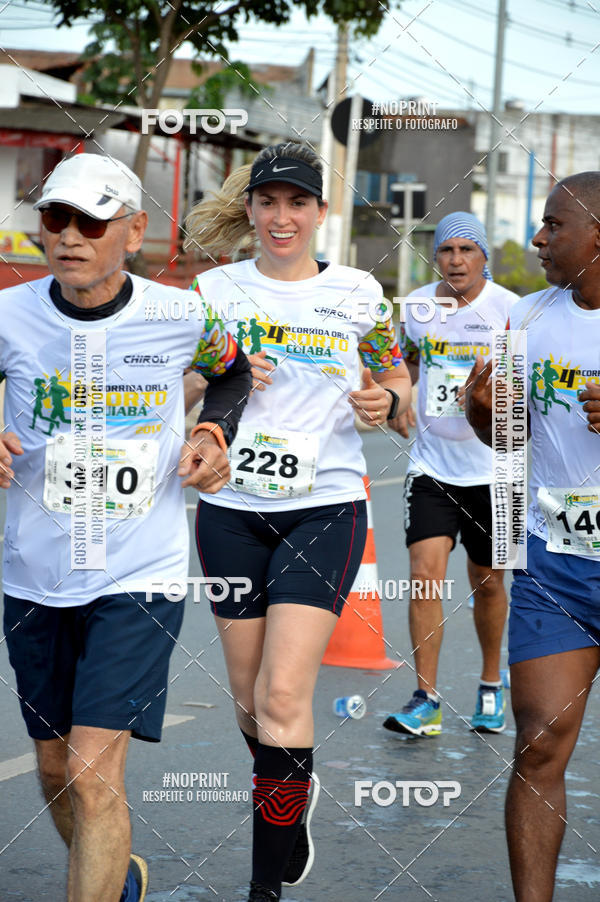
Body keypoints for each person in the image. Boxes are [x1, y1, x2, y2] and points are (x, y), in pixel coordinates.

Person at [0, 152, 251, 902]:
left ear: (134, 231)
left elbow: (234, 372)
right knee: (55, 771)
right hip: (33, 571)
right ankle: (116, 875)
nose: (70, 236)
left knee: (88, 769)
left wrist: (213, 433)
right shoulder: (10, 314)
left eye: (92, 222)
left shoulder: (181, 314)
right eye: (56, 218)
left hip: (139, 573)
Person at [184, 141, 412, 901]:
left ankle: (263, 890)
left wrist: (389, 403)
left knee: (284, 695)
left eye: (298, 203)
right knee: (252, 703)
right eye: (268, 202)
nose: (282, 217)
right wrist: (220, 374)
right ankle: (292, 790)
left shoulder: (356, 294)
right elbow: (180, 386)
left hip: (325, 509)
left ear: (320, 212)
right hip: (230, 513)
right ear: (249, 209)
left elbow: (395, 381)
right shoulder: (214, 289)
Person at [465, 172, 600, 902]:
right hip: (559, 566)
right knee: (541, 740)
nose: (540, 239)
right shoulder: (526, 317)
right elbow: (507, 439)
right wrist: (483, 410)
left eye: (553, 225)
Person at [382, 212, 518, 737]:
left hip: (491, 468)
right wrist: (398, 398)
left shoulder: (509, 309)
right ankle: (426, 698)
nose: (456, 260)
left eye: (467, 250)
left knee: (487, 584)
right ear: (434, 256)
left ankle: (490, 685)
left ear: (484, 256)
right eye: (446, 251)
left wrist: (490, 401)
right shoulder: (418, 306)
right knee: (423, 576)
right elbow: (408, 364)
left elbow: (522, 383)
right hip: (431, 465)